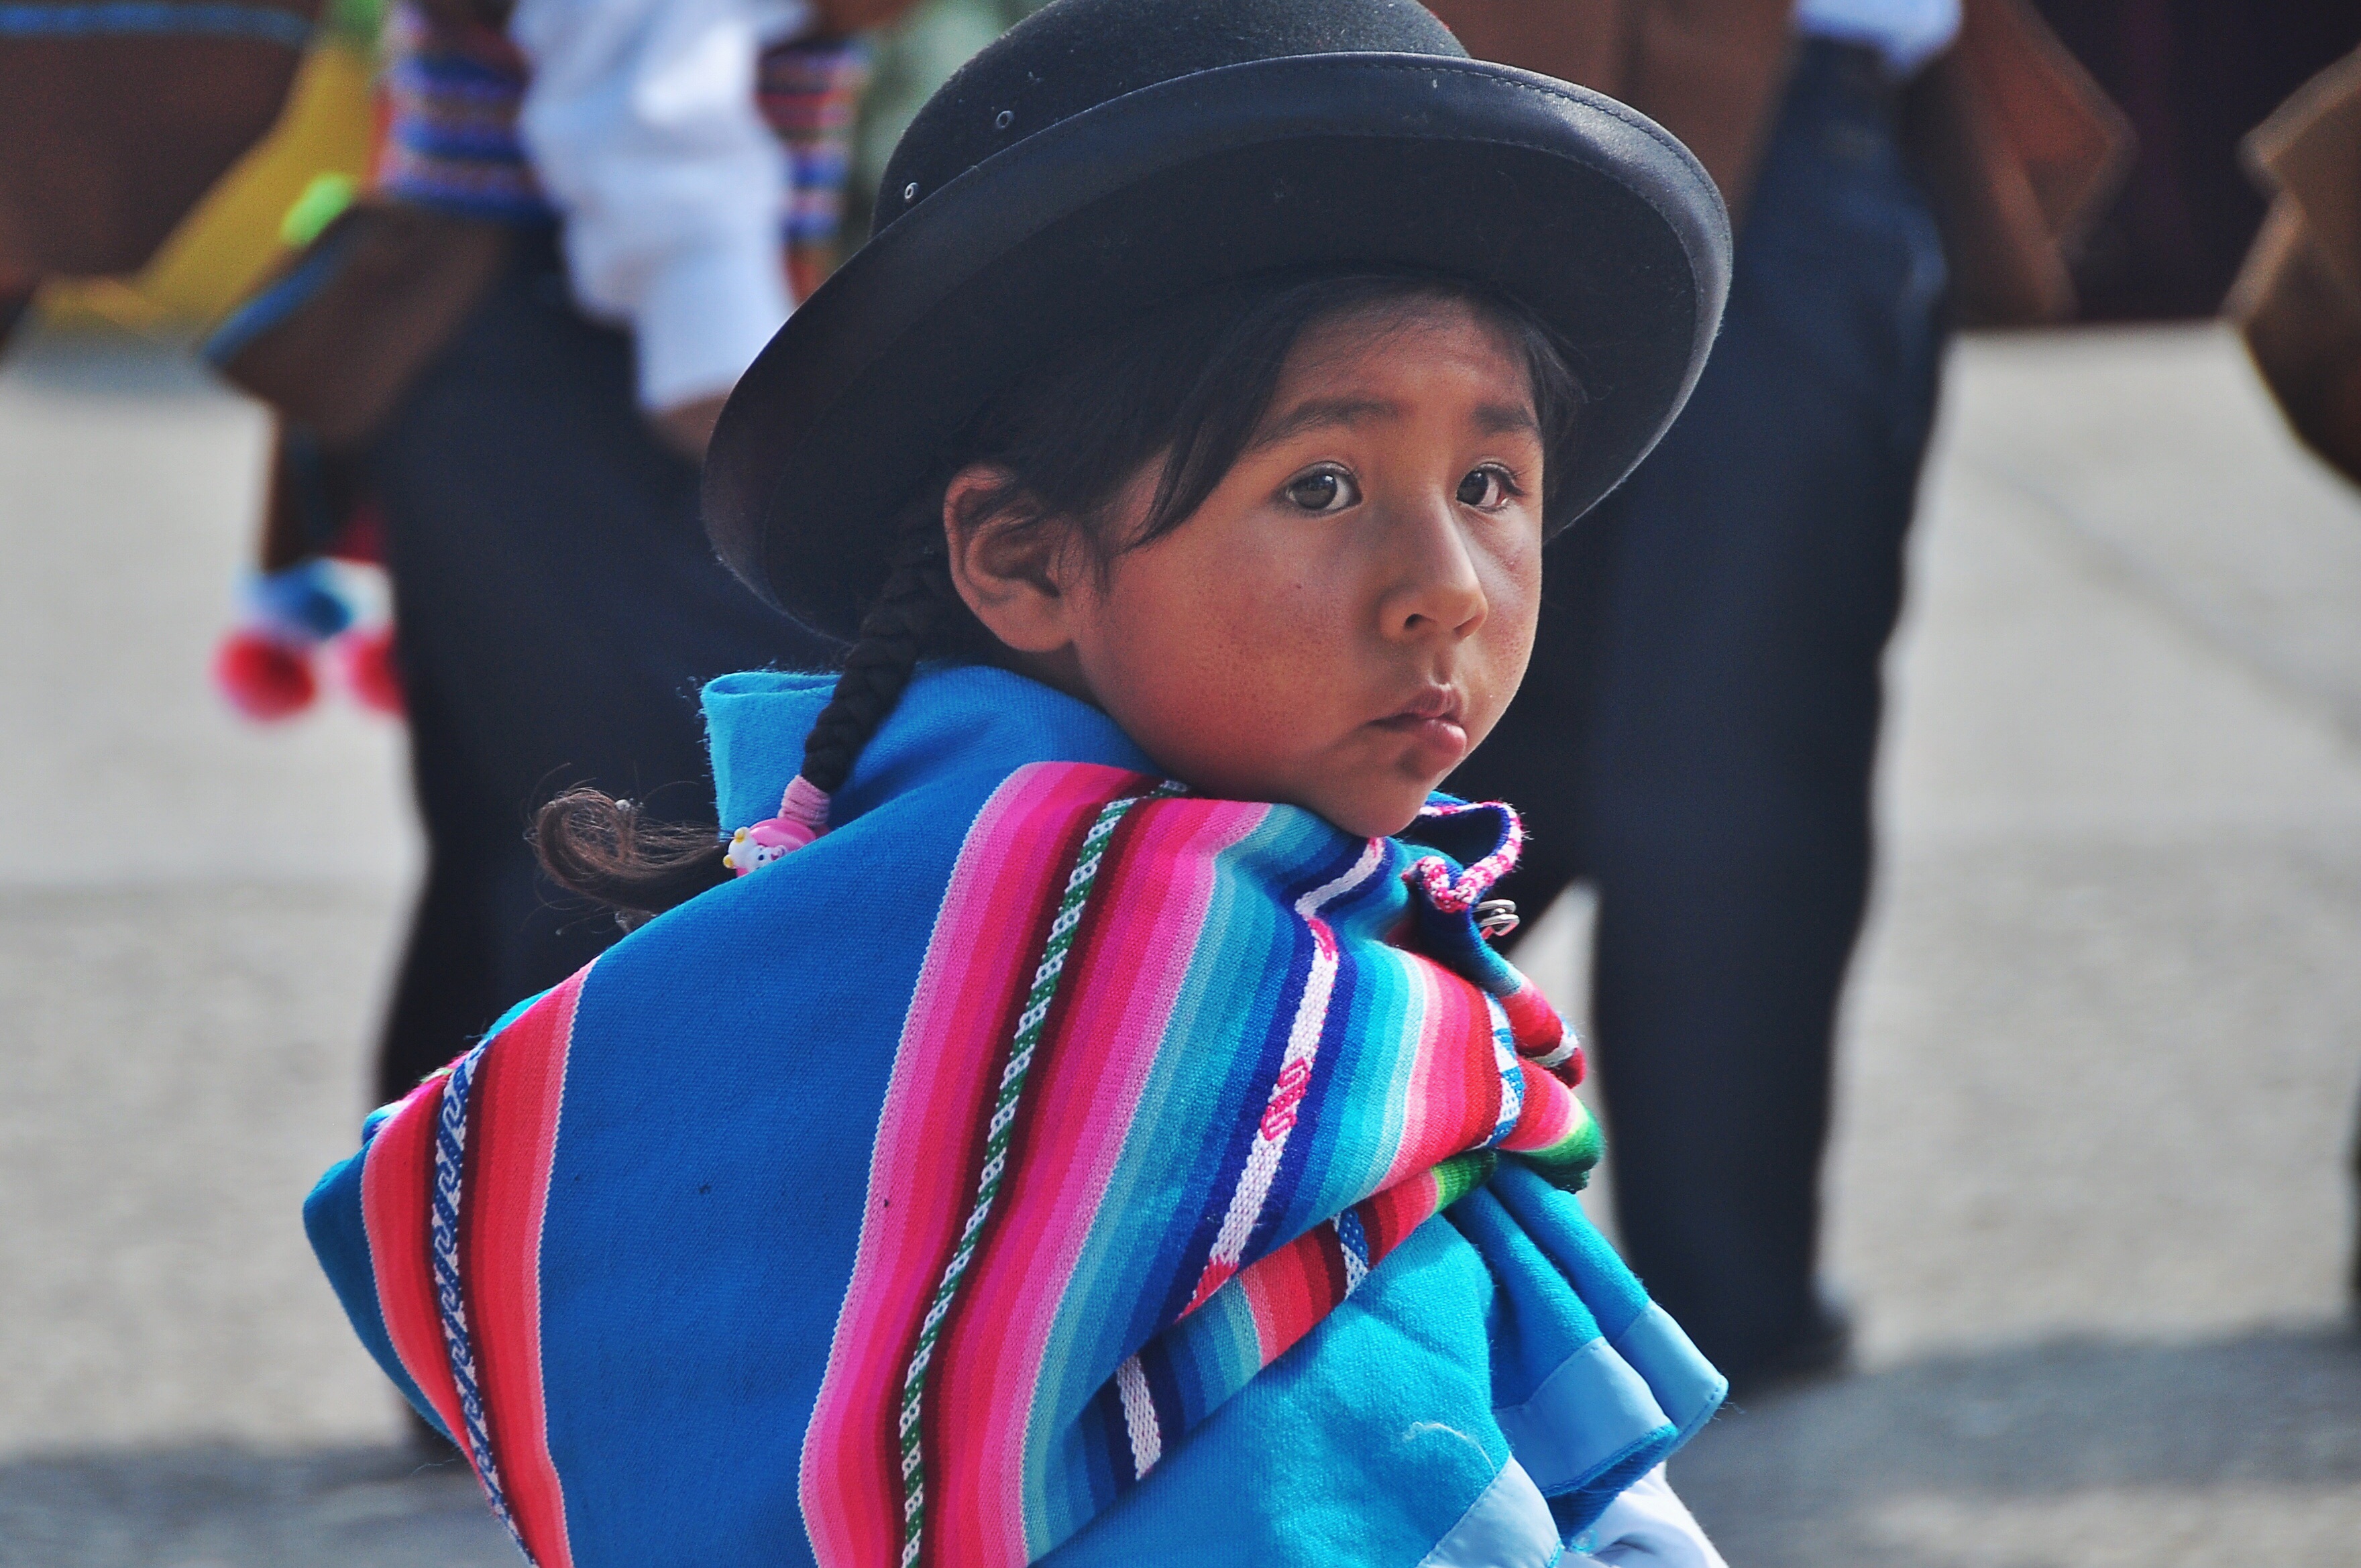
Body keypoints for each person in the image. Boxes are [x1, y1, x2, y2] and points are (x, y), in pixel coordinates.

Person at [303, 0, 1743, 1561]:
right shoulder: (1208, 1012)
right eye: (1321, 483)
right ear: (1021, 557)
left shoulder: (895, 929)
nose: (1448, 585)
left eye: (1489, 482)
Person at [1430, 0, 2127, 1389]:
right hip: (1739, 130)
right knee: (1722, 757)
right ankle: (1717, 1290)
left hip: (1497, 101)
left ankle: (1264, 1186)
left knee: (1491, 728)